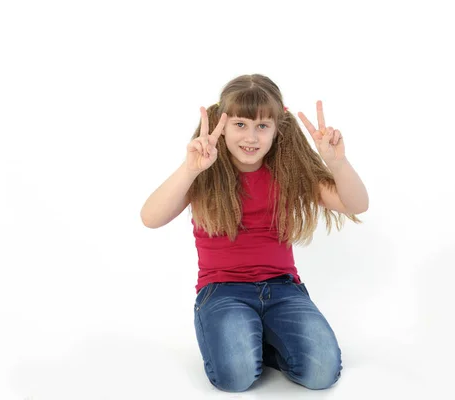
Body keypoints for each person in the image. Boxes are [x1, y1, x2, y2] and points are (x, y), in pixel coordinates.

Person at [140, 74, 369, 392]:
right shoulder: (205, 174)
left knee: (322, 373)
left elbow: (355, 205)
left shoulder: (290, 173)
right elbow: (150, 218)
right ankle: (243, 336)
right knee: (236, 379)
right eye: (240, 125)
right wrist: (190, 169)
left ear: (278, 129)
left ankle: (264, 338)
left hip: (283, 290)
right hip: (222, 291)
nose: (251, 137)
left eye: (262, 126)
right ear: (223, 125)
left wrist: (338, 163)